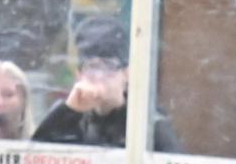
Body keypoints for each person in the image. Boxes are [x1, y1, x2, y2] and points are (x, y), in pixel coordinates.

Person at [31, 17, 181, 151]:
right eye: (91, 66)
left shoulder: (148, 125)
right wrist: (70, 110)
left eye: (108, 66)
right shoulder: (68, 116)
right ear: (79, 75)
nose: (98, 76)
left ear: (127, 74)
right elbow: (33, 159)